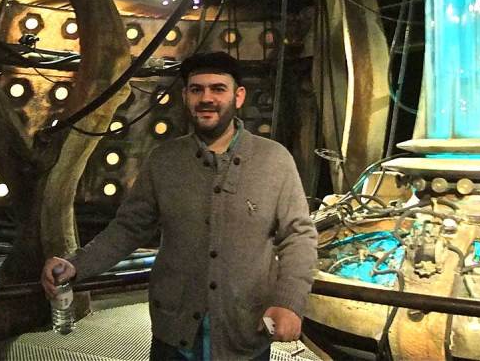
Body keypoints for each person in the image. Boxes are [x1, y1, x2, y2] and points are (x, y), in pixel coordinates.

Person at [41, 51, 318, 360]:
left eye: (218, 89)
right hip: (174, 334)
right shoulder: (164, 161)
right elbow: (128, 229)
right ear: (185, 96)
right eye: (197, 89)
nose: (206, 98)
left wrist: (289, 301)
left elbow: (299, 235)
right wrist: (77, 265)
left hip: (244, 331)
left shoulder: (274, 160)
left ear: (238, 96)